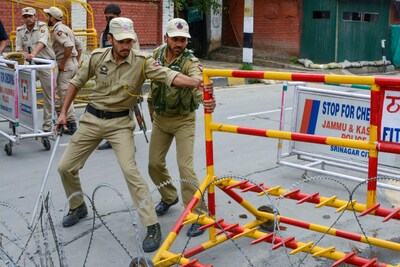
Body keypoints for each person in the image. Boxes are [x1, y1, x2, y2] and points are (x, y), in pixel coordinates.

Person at [54, 17, 215, 253]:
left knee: (141, 171)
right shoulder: (98, 57)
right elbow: (76, 83)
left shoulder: (144, 61)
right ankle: (78, 206)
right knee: (65, 167)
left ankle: (157, 224)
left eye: (130, 40)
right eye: (121, 41)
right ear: (110, 39)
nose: (126, 45)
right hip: (93, 119)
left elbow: (171, 76)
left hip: (127, 123)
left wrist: (198, 85)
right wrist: (63, 112)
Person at [147, 18, 216, 237]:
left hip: (183, 120)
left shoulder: (190, 61)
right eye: (175, 39)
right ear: (166, 37)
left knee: (185, 167)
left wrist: (207, 97)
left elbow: (199, 81)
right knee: (154, 164)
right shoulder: (156, 55)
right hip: (161, 118)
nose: (179, 43)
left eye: (183, 40)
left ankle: (198, 214)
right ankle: (169, 196)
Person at [97, 3, 140, 150]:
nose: (109, 21)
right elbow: (101, 56)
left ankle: (128, 141)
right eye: (107, 18)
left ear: (119, 16)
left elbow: (136, 56)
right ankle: (111, 139)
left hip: (126, 77)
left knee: (127, 110)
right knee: (109, 109)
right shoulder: (104, 35)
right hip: (108, 79)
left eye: (112, 18)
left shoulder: (129, 35)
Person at [15, 7, 57, 133]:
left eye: (30, 16)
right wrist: (24, 54)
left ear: (35, 17)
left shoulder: (42, 26)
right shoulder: (20, 30)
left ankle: (47, 126)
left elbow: (42, 42)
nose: (28, 19)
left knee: (48, 96)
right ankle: (25, 121)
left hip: (45, 65)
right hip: (30, 65)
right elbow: (18, 48)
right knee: (23, 93)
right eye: (25, 16)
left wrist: (33, 53)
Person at [44, 6, 82, 135]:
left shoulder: (57, 30)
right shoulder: (66, 28)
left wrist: (63, 62)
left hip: (66, 66)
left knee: (65, 95)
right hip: (73, 64)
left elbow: (69, 45)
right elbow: (79, 46)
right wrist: (76, 60)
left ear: (53, 18)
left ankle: (71, 123)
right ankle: (66, 121)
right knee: (68, 93)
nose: (47, 18)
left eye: (48, 16)